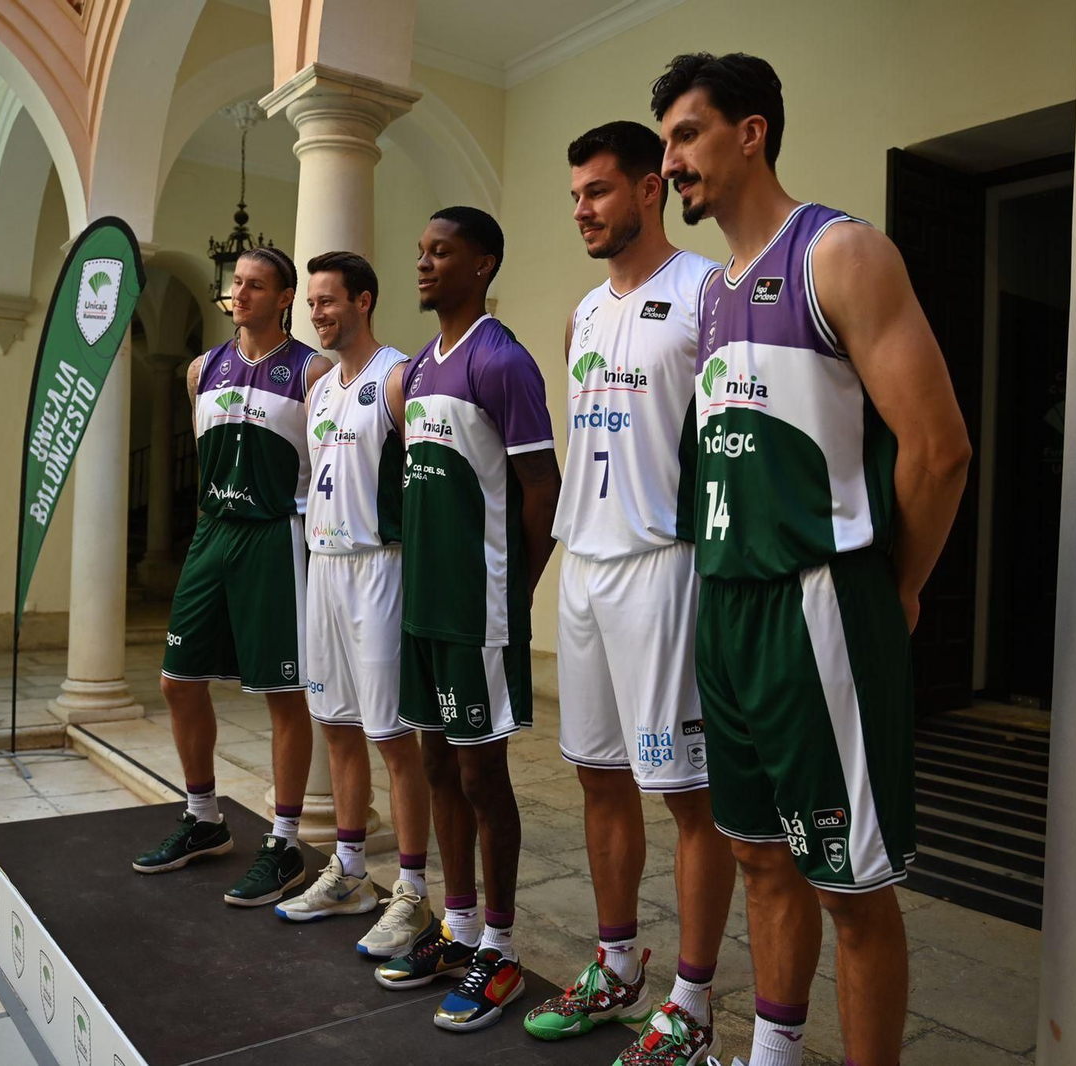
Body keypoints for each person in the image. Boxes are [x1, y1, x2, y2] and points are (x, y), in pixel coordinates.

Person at [652, 53, 972, 1066]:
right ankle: (774, 1053)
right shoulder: (708, 298)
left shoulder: (839, 253)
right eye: (663, 142)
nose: (672, 162)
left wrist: (900, 587)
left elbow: (938, 449)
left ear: (751, 132)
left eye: (688, 135)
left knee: (851, 885)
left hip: (817, 605)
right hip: (727, 605)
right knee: (755, 852)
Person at [521, 121, 736, 1066]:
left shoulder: (704, 295)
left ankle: (692, 1004)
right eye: (575, 196)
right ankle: (616, 968)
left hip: (666, 565)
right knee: (597, 776)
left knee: (688, 793)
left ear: (651, 189)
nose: (582, 210)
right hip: (587, 564)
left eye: (599, 192)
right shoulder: (580, 313)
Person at [372, 207, 561, 1034]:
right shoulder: (415, 368)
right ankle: (456, 929)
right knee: (437, 765)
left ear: (482, 264)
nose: (423, 264)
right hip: (426, 611)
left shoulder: (503, 360)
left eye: (439, 252)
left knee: (485, 778)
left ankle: (503, 948)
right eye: (420, 251)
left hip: (480, 608)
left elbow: (542, 492)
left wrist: (512, 597)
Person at [133, 247, 333, 909]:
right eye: (235, 283)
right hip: (212, 532)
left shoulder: (313, 370)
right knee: (177, 680)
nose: (239, 293)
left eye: (255, 285)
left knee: (282, 692)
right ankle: (204, 817)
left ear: (284, 298)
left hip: (277, 536)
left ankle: (283, 841)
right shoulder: (201, 369)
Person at [272, 251, 436, 959]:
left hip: (380, 567)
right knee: (334, 724)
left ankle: (412, 890)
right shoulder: (318, 391)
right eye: (312, 303)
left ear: (364, 301)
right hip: (326, 568)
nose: (317, 313)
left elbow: (429, 487)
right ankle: (348, 874)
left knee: (393, 739)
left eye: (329, 301)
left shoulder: (397, 378)